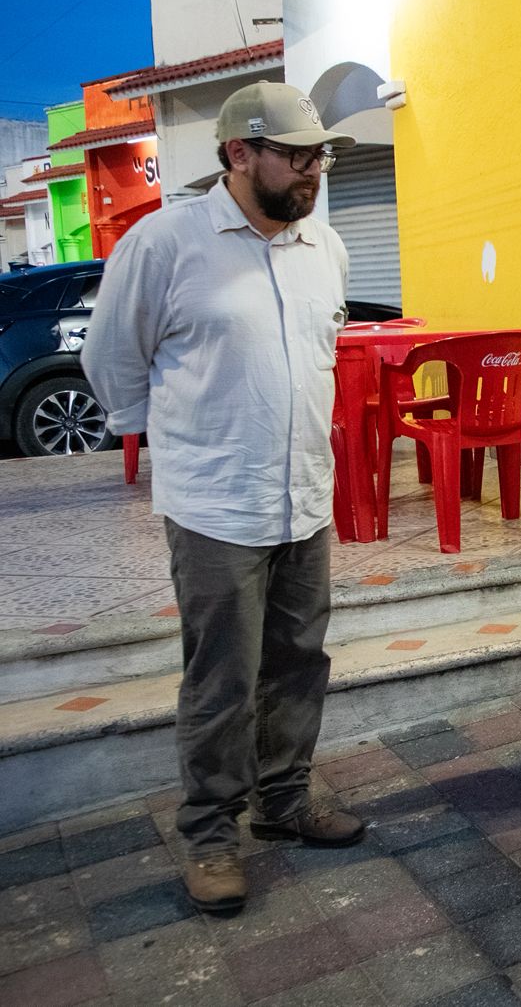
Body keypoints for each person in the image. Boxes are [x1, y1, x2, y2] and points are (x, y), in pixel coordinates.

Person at [82, 81, 364, 914]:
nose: (314, 170)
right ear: (239, 154)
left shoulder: (326, 247)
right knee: (221, 682)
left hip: (303, 500)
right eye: (297, 154)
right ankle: (210, 834)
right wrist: (173, 449)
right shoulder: (166, 244)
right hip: (214, 509)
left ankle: (282, 805)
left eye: (320, 155)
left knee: (298, 664)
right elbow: (112, 361)